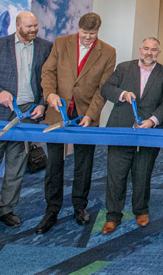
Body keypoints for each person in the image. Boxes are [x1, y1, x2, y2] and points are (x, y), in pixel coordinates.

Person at [35, 13, 116, 234]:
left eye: (92, 34)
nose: (87, 38)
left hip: (86, 115)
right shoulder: (61, 43)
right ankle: (52, 209)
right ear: (78, 29)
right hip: (57, 112)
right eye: (84, 34)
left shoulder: (108, 52)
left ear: (98, 31)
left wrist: (91, 115)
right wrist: (50, 94)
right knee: (54, 164)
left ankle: (79, 206)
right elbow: (48, 71)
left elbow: (103, 88)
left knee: (84, 163)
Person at [0, 12, 51, 236]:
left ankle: (6, 210)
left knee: (16, 168)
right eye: (29, 26)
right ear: (17, 26)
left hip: (27, 116)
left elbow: (49, 81)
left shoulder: (45, 47)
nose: (34, 30)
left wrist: (42, 104)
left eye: (36, 25)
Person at [99, 37, 163, 234]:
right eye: (146, 49)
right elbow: (106, 89)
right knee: (116, 175)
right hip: (121, 130)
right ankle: (113, 216)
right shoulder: (123, 68)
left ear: (158, 52)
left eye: (154, 50)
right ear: (140, 50)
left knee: (143, 174)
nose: (149, 53)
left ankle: (141, 210)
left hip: (149, 133)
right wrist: (122, 94)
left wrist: (153, 121)